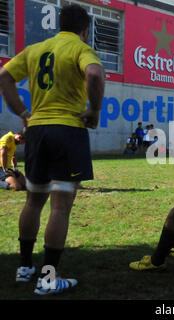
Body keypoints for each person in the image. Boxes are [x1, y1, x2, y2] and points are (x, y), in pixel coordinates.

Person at [0, 4, 105, 295]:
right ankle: (48, 279)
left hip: (37, 131)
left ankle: (24, 267)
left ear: (59, 25)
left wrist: (22, 111)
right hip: (67, 130)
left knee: (33, 202)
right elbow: (94, 75)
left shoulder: (36, 49)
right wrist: (94, 110)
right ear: (85, 29)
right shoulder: (80, 48)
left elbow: (3, 76)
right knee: (60, 206)